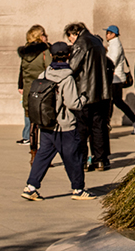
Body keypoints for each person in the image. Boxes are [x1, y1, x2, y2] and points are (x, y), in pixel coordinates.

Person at [21, 41, 94, 201]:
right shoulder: (67, 78)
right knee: (73, 157)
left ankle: (31, 187)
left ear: (52, 56)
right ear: (68, 56)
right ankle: (78, 189)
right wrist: (83, 98)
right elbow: (72, 103)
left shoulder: (45, 74)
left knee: (42, 156)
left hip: (46, 124)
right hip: (64, 126)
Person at [65, 21, 112, 172]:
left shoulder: (81, 43)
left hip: (84, 91)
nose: (70, 41)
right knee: (97, 127)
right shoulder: (97, 41)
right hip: (100, 91)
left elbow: (72, 66)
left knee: (82, 128)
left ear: (74, 33)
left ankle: (82, 161)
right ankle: (100, 160)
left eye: (70, 38)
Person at [17, 25, 51, 145]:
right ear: (39, 37)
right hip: (42, 89)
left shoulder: (25, 53)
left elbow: (22, 71)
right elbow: (50, 69)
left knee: (29, 114)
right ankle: (44, 143)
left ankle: (30, 141)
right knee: (44, 115)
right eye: (44, 34)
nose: (46, 37)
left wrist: (20, 86)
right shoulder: (45, 52)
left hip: (28, 88)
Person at [104, 25, 135, 131]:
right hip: (114, 78)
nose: (106, 35)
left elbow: (111, 62)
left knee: (115, 101)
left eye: (108, 33)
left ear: (113, 34)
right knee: (114, 101)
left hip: (115, 78)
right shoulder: (113, 44)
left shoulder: (115, 45)